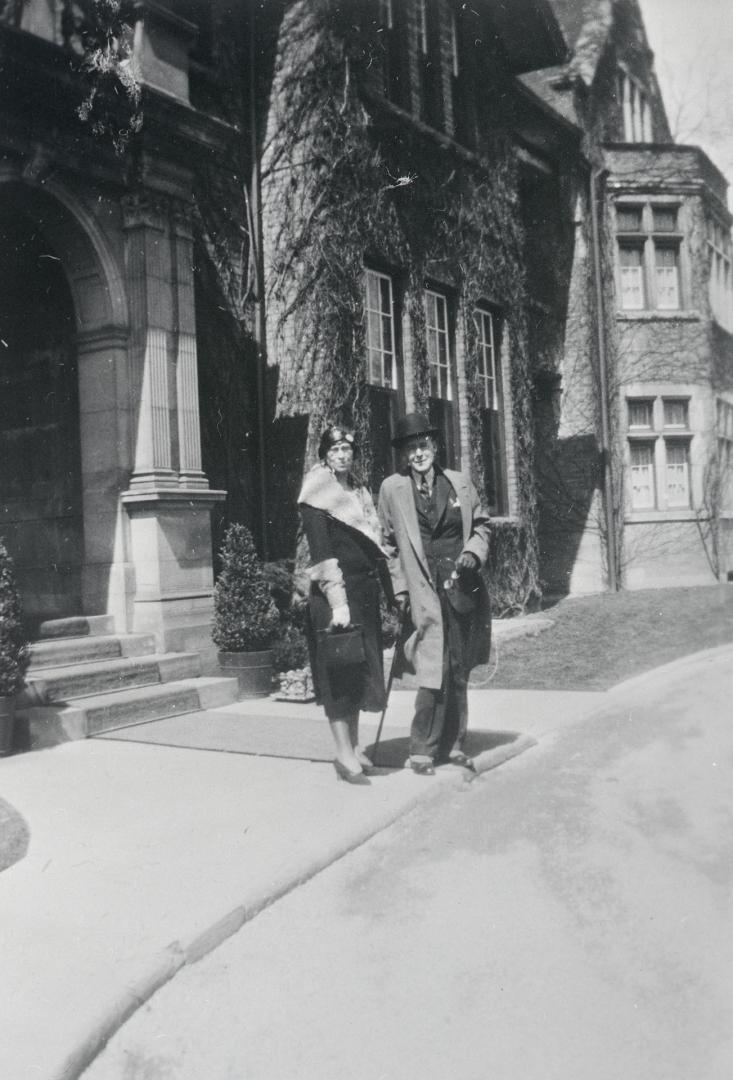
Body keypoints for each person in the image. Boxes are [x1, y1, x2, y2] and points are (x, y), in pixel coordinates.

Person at [378, 412, 491, 775]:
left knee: (457, 666)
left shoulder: (459, 483)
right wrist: (398, 589)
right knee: (431, 666)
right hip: (421, 591)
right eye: (411, 448)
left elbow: (482, 525)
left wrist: (473, 553)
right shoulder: (392, 489)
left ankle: (454, 744)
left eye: (423, 445)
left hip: (460, 587)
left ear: (435, 447)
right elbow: (388, 545)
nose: (418, 453)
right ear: (404, 455)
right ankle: (422, 749)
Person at [298, 424, 389, 785]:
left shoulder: (359, 492)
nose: (341, 456)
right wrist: (339, 604)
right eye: (334, 450)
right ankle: (342, 753)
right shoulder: (316, 495)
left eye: (347, 450)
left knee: (357, 671)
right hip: (335, 596)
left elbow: (376, 547)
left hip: (362, 595)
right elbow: (323, 556)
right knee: (338, 673)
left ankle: (352, 747)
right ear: (324, 454)